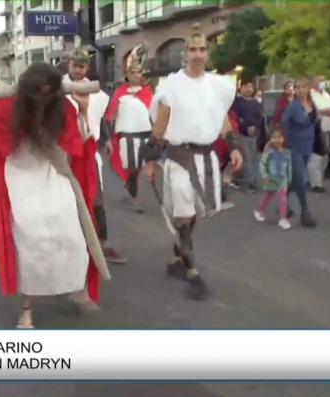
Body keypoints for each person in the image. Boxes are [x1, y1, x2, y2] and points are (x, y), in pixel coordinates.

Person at [0, 62, 109, 328]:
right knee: (31, 247)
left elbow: (80, 139)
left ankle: (76, 288)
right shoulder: (5, 109)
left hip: (57, 181)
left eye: (49, 94)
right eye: (39, 94)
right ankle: (27, 310)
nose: (43, 101)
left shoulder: (63, 109)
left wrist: (83, 111)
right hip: (22, 186)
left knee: (72, 238)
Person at [142, 23, 243, 300]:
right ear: (185, 54)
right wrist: (150, 160)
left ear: (207, 54)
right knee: (184, 217)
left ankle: (178, 258)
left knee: (195, 214)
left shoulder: (218, 85)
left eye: (203, 49)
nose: (198, 54)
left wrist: (233, 146)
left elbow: (221, 119)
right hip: (179, 157)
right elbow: (160, 126)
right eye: (193, 50)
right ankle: (192, 272)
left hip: (207, 158)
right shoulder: (172, 86)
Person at [63, 47, 126, 264]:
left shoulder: (99, 94)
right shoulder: (55, 89)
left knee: (96, 200)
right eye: (74, 65)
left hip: (89, 155)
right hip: (62, 158)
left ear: (87, 67)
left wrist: (106, 139)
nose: (78, 71)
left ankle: (102, 244)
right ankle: (69, 246)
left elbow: (98, 119)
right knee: (64, 204)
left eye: (82, 66)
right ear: (68, 64)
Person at [105, 61, 154, 213]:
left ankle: (129, 188)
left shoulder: (147, 91)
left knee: (142, 168)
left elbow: (154, 114)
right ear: (127, 75)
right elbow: (110, 117)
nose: (136, 75)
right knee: (132, 168)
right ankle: (134, 199)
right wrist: (108, 138)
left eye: (139, 72)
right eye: (133, 72)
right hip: (128, 136)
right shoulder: (120, 92)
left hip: (146, 135)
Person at [281, 78, 318, 228]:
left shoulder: (312, 104)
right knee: (301, 180)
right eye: (298, 88)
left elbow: (315, 122)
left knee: (295, 180)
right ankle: (305, 212)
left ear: (308, 89)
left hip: (308, 145)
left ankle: (283, 200)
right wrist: (286, 138)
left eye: (304, 87)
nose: (301, 90)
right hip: (294, 146)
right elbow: (283, 121)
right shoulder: (293, 106)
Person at [254, 128, 292, 230]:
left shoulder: (287, 152)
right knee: (268, 197)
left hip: (282, 180)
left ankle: (283, 219)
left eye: (279, 137)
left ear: (284, 139)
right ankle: (259, 210)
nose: (276, 140)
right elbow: (262, 163)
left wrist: (289, 178)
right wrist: (265, 175)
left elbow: (289, 166)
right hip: (270, 179)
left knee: (283, 199)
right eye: (273, 137)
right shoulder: (269, 152)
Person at [232, 79, 265, 193]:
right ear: (241, 88)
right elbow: (235, 117)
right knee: (246, 158)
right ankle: (249, 183)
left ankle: (255, 180)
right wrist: (245, 126)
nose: (248, 89)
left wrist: (254, 126)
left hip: (254, 134)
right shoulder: (236, 101)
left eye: (250, 87)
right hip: (241, 133)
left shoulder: (255, 102)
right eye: (246, 86)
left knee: (254, 157)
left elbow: (260, 117)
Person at [307, 76, 330, 193]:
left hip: (326, 128)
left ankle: (313, 179)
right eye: (320, 80)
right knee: (315, 156)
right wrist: (323, 111)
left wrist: (323, 111)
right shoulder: (311, 95)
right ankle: (315, 183)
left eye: (324, 81)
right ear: (313, 82)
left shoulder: (327, 95)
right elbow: (312, 111)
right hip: (315, 129)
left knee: (323, 156)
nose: (322, 83)